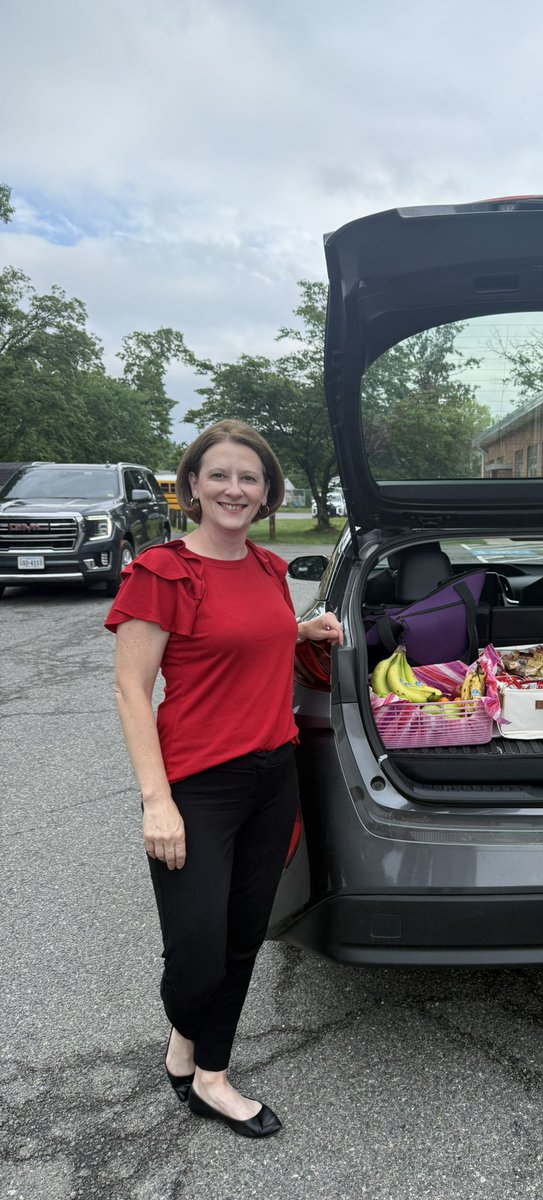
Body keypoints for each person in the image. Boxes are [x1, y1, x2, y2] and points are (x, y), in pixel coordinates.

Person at [106, 419, 343, 1139]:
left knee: (244, 939)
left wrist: (300, 632)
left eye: (250, 477)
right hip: (197, 788)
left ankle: (209, 1073)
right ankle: (188, 1040)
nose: (235, 489)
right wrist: (157, 803)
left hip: (274, 775)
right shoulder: (164, 572)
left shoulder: (271, 570)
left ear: (268, 491)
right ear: (193, 487)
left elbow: (252, 635)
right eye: (220, 475)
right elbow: (129, 691)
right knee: (198, 957)